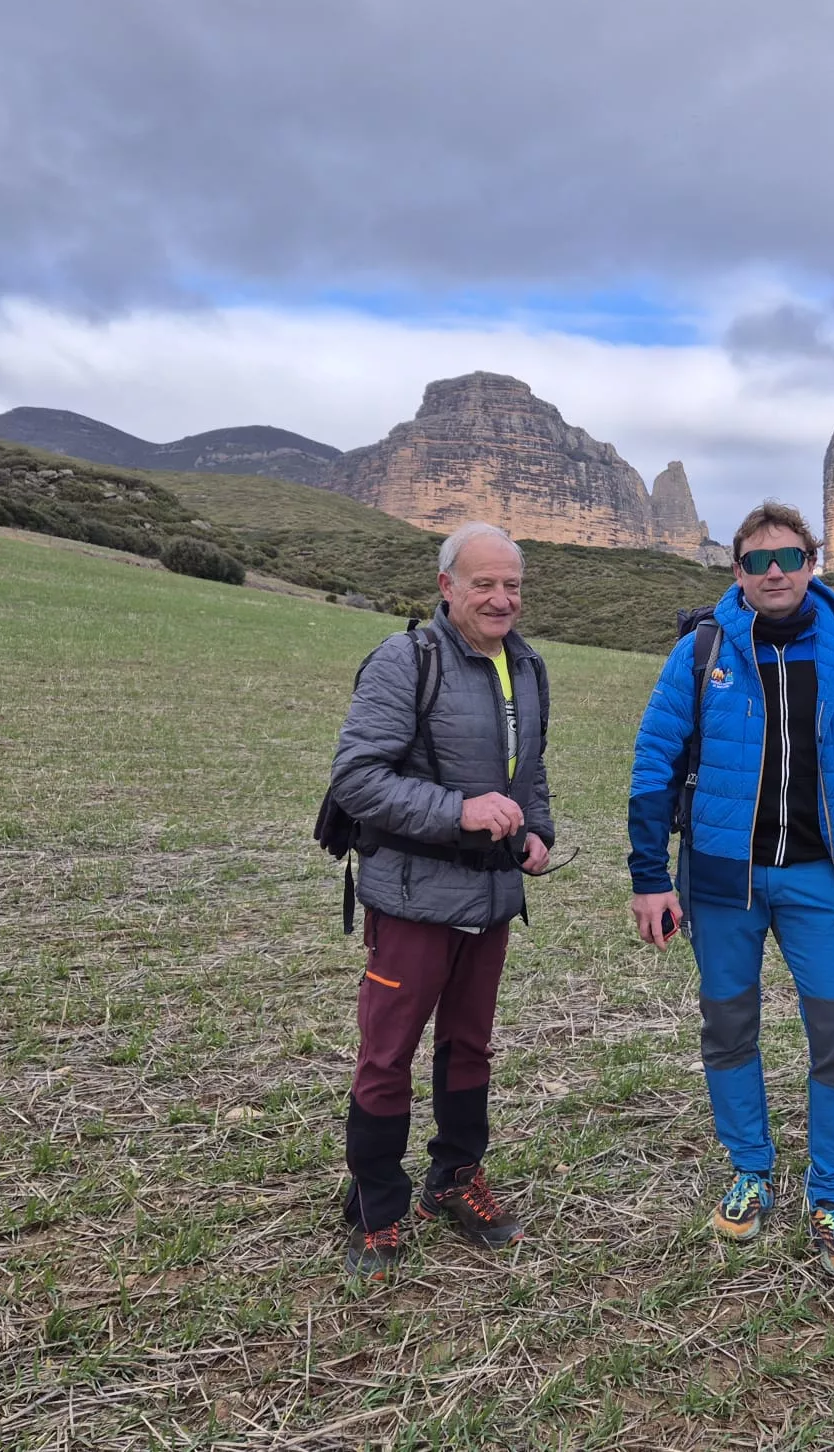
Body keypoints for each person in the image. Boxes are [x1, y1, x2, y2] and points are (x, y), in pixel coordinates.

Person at [628, 501, 834, 1280]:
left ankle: (832, 1193)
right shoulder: (701, 650)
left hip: (823, 878)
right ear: (737, 570)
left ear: (813, 563)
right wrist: (649, 877)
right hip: (722, 879)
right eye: (756, 560)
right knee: (729, 1027)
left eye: (788, 558)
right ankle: (750, 1168)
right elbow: (654, 760)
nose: (773, 572)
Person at [328, 522, 554, 1281]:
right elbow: (357, 778)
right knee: (387, 1052)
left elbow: (530, 773)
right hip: (412, 899)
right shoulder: (407, 660)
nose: (501, 599)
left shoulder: (527, 665)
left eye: (512, 585)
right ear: (446, 586)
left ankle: (455, 1177)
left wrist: (538, 833)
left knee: (470, 1045)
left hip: (490, 900)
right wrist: (459, 811)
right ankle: (376, 1208)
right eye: (483, 584)